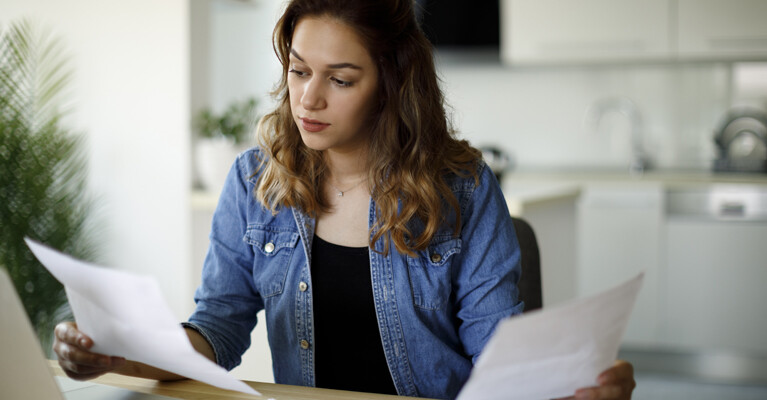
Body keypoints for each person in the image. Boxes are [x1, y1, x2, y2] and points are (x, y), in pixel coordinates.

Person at [53, 1, 636, 399]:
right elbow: (217, 333)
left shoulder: (463, 187)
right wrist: (120, 355)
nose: (308, 99)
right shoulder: (255, 183)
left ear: (391, 83)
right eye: (299, 70)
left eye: (340, 79)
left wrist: (572, 385)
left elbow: (501, 363)